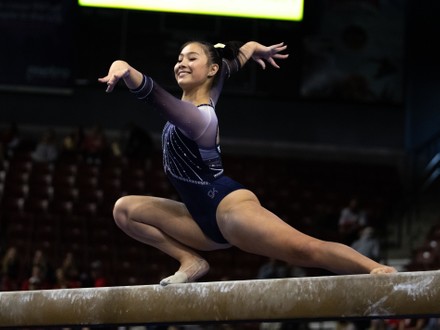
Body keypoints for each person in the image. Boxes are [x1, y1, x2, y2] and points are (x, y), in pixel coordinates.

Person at [99, 40, 396, 286]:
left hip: (228, 210)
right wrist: (257, 49)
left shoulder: (200, 117)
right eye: (179, 58)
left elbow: (155, 97)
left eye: (191, 57)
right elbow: (238, 57)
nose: (181, 63)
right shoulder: (209, 90)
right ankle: (190, 260)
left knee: (304, 249)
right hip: (198, 222)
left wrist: (125, 70)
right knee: (124, 210)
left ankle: (375, 268)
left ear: (210, 69)